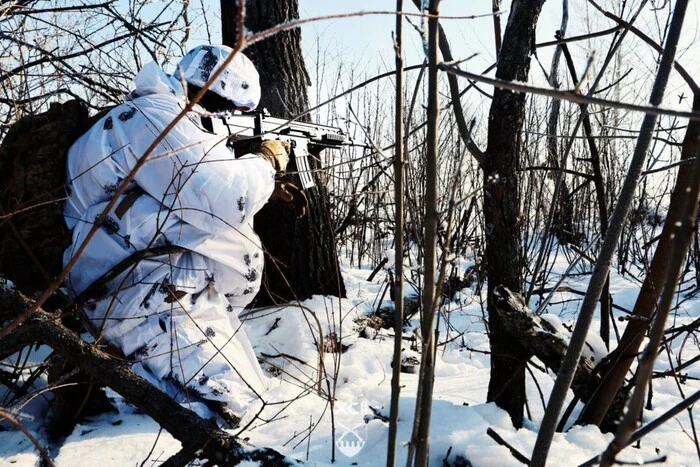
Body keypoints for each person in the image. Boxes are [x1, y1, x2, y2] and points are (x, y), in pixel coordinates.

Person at [63, 45, 288, 424]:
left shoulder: (153, 117)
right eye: (240, 112)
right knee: (231, 406)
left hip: (150, 283)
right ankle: (103, 388)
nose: (239, 121)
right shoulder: (154, 119)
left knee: (251, 395)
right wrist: (266, 162)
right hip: (134, 293)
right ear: (219, 98)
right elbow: (224, 197)